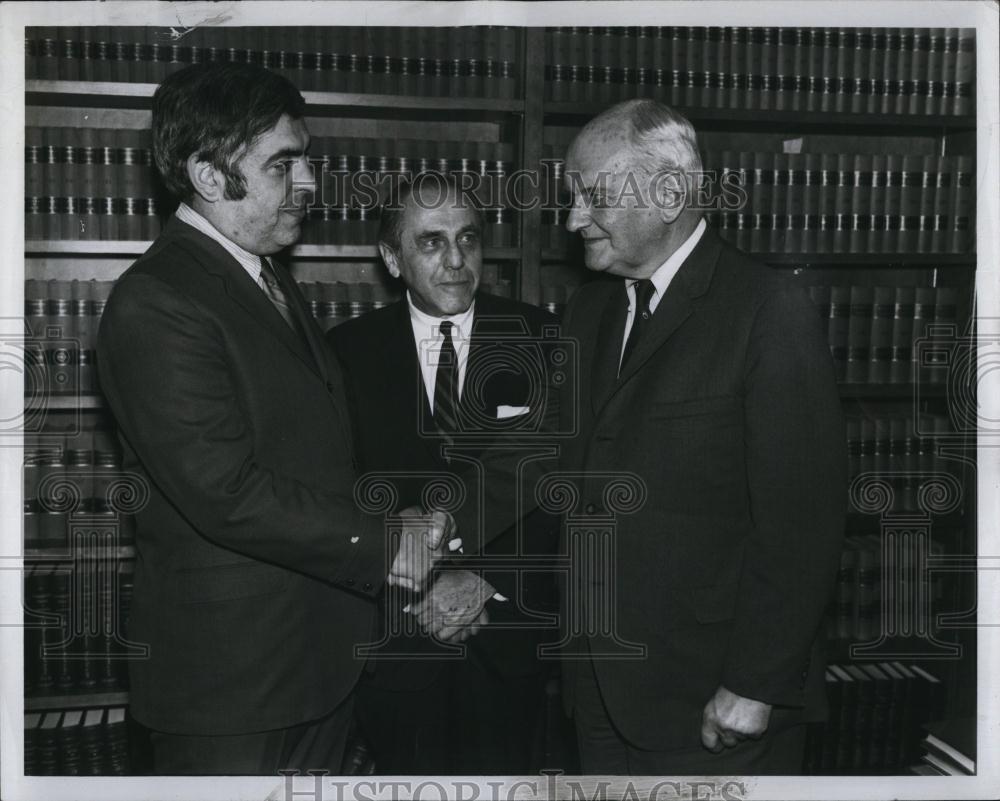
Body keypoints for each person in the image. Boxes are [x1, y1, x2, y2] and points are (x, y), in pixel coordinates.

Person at [96, 62, 455, 776]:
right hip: (232, 686)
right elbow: (224, 490)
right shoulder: (158, 301)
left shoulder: (262, 275)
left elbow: (308, 454)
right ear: (208, 175)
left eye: (305, 160)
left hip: (312, 664)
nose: (309, 182)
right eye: (282, 165)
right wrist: (387, 541)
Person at [556, 98, 847, 774]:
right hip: (598, 689)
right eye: (571, 198)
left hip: (713, 702)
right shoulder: (589, 309)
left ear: (667, 194)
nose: (572, 219)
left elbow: (802, 523)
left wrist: (756, 682)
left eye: (593, 197)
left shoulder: (768, 311)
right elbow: (556, 464)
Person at [329, 176, 560, 774]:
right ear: (392, 259)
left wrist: (481, 577)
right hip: (398, 637)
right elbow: (336, 491)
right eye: (431, 242)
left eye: (468, 239)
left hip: (509, 639)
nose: (456, 260)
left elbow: (564, 483)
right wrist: (424, 582)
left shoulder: (544, 339)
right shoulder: (345, 352)